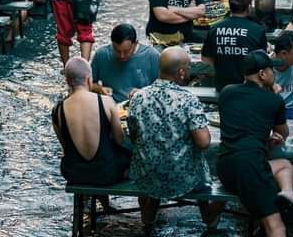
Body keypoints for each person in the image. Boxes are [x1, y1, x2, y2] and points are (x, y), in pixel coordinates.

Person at [126, 47, 219, 235]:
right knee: (200, 165)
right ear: (181, 73)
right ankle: (210, 219)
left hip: (148, 175)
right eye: (188, 67)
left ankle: (147, 220)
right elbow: (203, 143)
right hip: (183, 178)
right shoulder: (188, 99)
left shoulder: (138, 97)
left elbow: (134, 136)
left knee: (151, 164)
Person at [218, 51, 293, 237]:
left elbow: (245, 124)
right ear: (262, 74)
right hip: (250, 167)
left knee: (284, 166)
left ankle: (286, 195)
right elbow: (283, 132)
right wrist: (273, 96)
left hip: (224, 168)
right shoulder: (273, 100)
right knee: (276, 227)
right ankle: (287, 195)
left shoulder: (227, 92)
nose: (274, 74)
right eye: (271, 70)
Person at [52, 56, 131, 186]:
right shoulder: (106, 102)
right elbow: (120, 140)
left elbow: (65, 147)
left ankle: (103, 204)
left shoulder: (57, 110)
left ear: (67, 81)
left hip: (73, 174)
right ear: (89, 79)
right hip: (107, 172)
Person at [201, 0, 269, 91]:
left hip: (223, 88)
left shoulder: (215, 28)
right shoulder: (257, 30)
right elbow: (263, 61)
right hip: (249, 88)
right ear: (249, 7)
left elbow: (205, 59)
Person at [90, 23, 161, 102]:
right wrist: (100, 89)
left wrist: (145, 93)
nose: (122, 56)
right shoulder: (102, 54)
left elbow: (164, 88)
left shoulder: (152, 56)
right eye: (117, 51)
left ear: (135, 43)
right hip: (112, 106)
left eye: (126, 51)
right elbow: (88, 84)